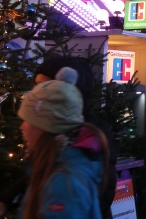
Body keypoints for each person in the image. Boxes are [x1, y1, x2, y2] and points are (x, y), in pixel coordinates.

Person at [0, 57, 117, 219]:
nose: (39, 91)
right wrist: (6, 201)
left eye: (45, 85)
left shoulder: (89, 139)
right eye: (36, 85)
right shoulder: (55, 147)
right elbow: (36, 175)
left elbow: (102, 190)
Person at [16, 67, 110, 219]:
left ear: (45, 127)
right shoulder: (54, 167)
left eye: (28, 121)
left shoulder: (64, 183)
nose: (22, 127)